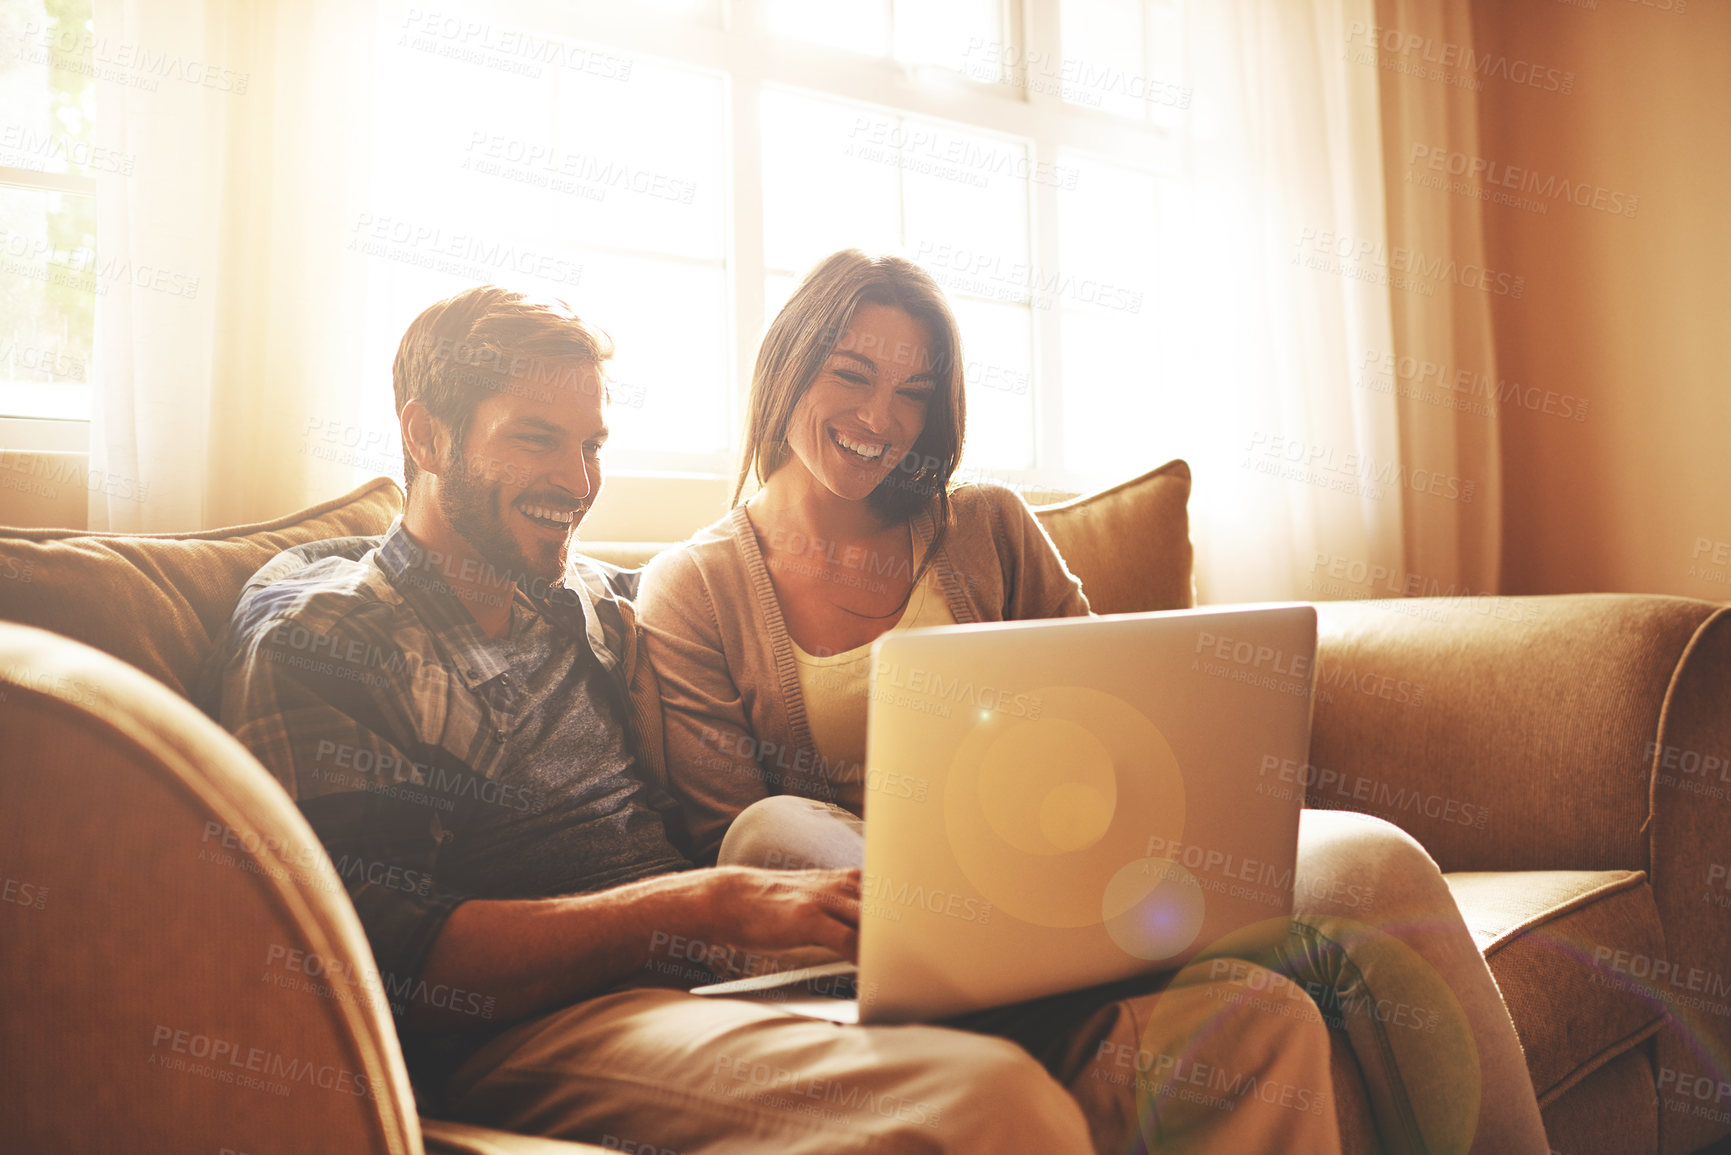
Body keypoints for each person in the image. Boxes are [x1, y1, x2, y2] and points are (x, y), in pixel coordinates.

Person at [638, 249, 1552, 1155]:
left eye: (914, 392)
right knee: (770, 823)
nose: (881, 417)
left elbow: (1115, 701)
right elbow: (732, 851)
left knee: (1375, 861)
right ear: (788, 363)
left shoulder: (987, 526)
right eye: (851, 374)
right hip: (874, 905)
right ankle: (1021, 981)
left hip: (1085, 860)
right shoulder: (695, 585)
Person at [203, 285, 1126, 1153]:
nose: (576, 480)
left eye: (592, 445)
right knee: (987, 1104)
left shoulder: (596, 604)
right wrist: (704, 903)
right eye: (536, 439)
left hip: (717, 979)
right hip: (536, 1024)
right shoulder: (333, 638)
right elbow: (376, 958)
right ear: (426, 434)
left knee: (1141, 1041)